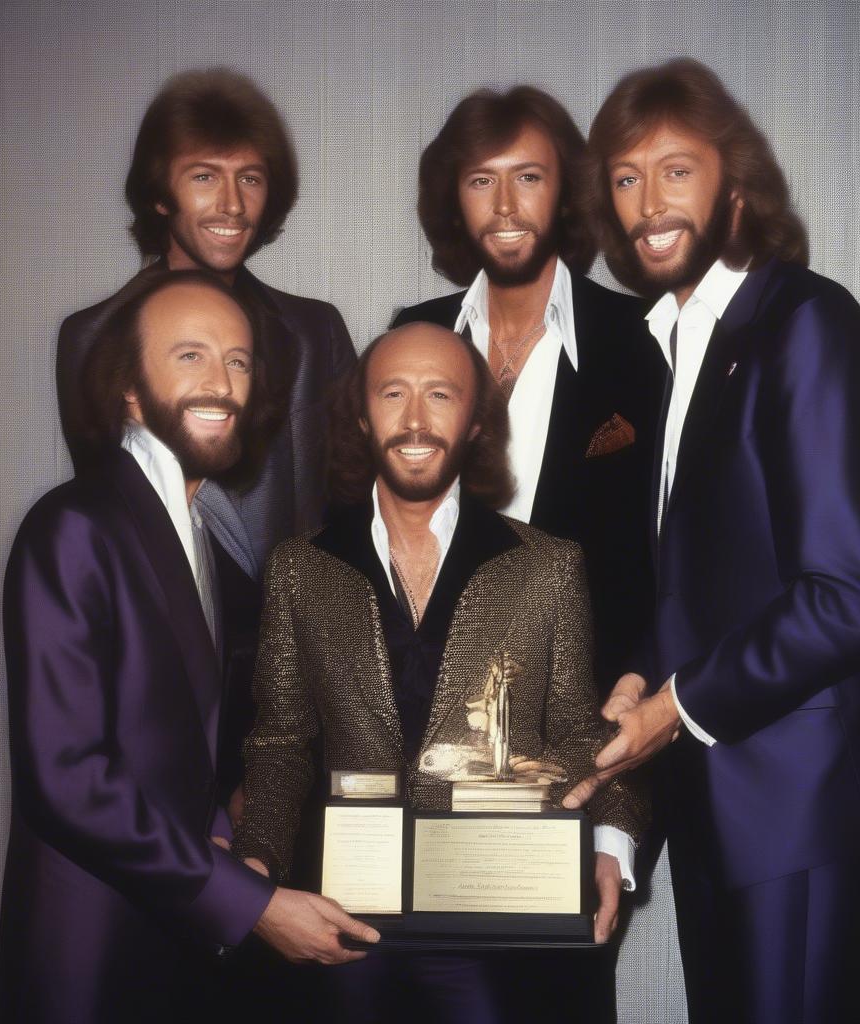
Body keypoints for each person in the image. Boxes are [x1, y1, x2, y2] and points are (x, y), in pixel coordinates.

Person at [562, 58, 860, 1024]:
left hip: (803, 809)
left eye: (675, 169)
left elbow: (854, 592)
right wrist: (642, 681)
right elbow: (705, 584)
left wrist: (672, 709)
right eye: (625, 176)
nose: (648, 202)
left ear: (736, 185)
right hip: (724, 805)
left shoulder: (807, 324)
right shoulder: (682, 344)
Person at [232, 322, 647, 1023]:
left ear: (476, 420)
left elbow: (579, 729)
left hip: (495, 925)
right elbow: (279, 744)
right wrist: (254, 873)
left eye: (441, 395)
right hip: (344, 921)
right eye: (393, 393)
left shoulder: (548, 566)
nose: (416, 420)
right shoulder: (299, 569)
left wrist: (612, 841)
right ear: (361, 417)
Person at [0, 271, 376, 1024]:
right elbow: (69, 779)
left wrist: (241, 825)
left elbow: (173, 745)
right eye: (190, 356)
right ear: (130, 390)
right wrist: (251, 902)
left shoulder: (193, 530)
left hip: (170, 941)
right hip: (94, 948)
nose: (222, 381)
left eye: (238, 361)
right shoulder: (77, 525)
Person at [391, 84, 664, 1022]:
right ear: (452, 199)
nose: (505, 207)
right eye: (481, 180)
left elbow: (669, 589)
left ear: (566, 192)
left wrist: (617, 838)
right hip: (418, 785)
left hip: (582, 774)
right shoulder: (410, 337)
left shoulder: (643, 346)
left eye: (530, 178)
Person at [55, 66, 356, 808]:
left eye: (251, 179)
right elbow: (113, 531)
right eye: (203, 176)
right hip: (159, 691)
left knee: (299, 919)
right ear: (160, 193)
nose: (231, 204)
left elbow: (352, 520)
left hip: (300, 688)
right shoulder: (92, 338)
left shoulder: (315, 333)